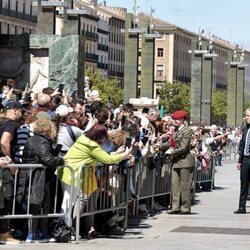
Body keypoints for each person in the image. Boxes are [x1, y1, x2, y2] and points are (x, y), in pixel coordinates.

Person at [58, 124, 132, 236]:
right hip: (73, 174)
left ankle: (66, 228)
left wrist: (117, 153)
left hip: (69, 172)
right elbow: (107, 159)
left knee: (69, 202)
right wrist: (124, 155)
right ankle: (65, 229)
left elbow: (100, 157)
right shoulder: (92, 145)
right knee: (68, 202)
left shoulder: (84, 138)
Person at [166, 110, 195, 215]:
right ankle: (175, 207)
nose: (175, 121)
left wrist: (171, 153)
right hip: (176, 161)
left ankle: (185, 208)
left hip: (185, 161)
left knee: (185, 186)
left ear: (183, 119)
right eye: (175, 119)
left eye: (177, 119)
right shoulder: (176, 131)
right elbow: (171, 143)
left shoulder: (187, 131)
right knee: (175, 185)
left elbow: (183, 147)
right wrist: (159, 147)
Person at [234, 108, 250, 214]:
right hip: (245, 159)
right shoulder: (245, 128)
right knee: (243, 184)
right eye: (246, 115)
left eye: (248, 115)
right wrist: (240, 161)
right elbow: (242, 145)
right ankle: (241, 207)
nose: (246, 117)